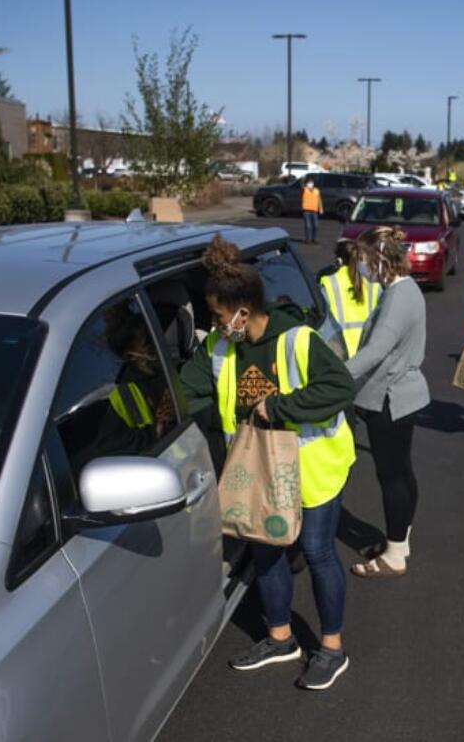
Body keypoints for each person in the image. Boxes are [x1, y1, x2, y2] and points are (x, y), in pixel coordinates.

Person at [180, 235, 357, 691]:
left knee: (318, 553)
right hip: (260, 470)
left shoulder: (299, 340)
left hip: (313, 468)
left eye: (219, 317)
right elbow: (183, 390)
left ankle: (332, 649)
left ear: (243, 310)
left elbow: (340, 388)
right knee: (265, 551)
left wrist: (276, 407)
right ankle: (281, 639)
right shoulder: (221, 350)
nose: (215, 326)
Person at [343, 227, 430, 577]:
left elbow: (377, 350)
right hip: (404, 394)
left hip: (390, 398)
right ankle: (400, 541)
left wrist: (335, 378)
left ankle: (394, 555)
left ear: (379, 260)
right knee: (403, 472)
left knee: (391, 476)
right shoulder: (406, 290)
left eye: (364, 262)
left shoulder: (397, 297)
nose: (362, 270)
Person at [320, 240, 382, 359]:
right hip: (368, 355)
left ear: (338, 261)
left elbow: (322, 322)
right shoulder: (374, 286)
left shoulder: (328, 284)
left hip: (341, 356)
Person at [301, 177, 323, 244]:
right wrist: (304, 178)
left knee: (316, 226)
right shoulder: (304, 189)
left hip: (314, 210)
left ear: (313, 183)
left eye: (311, 182)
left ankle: (314, 239)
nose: (310, 184)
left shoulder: (317, 191)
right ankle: (307, 239)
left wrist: (321, 208)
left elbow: (319, 200)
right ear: (306, 184)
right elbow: (301, 184)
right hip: (306, 210)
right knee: (307, 226)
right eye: (309, 183)